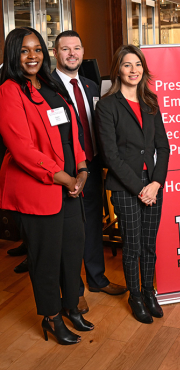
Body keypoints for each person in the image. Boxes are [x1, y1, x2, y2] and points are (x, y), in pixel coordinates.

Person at [0, 27, 93, 344]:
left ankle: (71, 307)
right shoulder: (10, 91)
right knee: (46, 259)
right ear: (14, 54)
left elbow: (73, 129)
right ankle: (52, 317)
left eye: (37, 49)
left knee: (72, 251)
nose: (32, 56)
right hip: (41, 190)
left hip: (71, 188)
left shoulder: (51, 85)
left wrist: (81, 167)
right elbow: (22, 149)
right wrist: (63, 177)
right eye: (25, 50)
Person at [52, 30, 128, 314]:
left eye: (77, 48)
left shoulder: (91, 85)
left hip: (93, 164)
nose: (72, 53)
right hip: (64, 171)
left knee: (94, 223)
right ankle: (74, 291)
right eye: (65, 49)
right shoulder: (48, 88)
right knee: (70, 231)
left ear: (83, 52)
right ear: (56, 53)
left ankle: (97, 278)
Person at [95, 45, 170, 323]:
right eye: (127, 65)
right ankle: (135, 296)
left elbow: (163, 148)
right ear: (118, 69)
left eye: (137, 64)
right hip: (125, 185)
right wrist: (139, 189)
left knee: (150, 244)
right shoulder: (107, 105)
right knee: (133, 245)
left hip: (152, 183)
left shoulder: (150, 102)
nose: (133, 70)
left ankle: (149, 292)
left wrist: (156, 183)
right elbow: (110, 155)